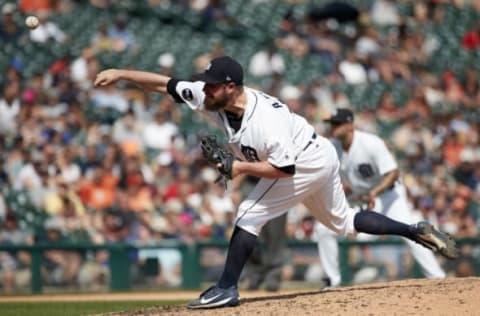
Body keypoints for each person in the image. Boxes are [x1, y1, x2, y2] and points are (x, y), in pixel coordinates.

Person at [94, 55, 457, 309]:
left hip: (306, 160)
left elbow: (285, 170)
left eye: (212, 84)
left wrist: (238, 168)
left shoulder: (264, 120)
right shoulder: (212, 96)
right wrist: (122, 74)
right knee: (344, 222)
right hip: (318, 153)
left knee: (249, 211)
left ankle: (226, 288)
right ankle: (414, 229)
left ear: (231, 87)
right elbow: (168, 86)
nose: (203, 88)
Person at [315, 108, 446, 289]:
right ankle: (333, 280)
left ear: (350, 124)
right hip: (361, 197)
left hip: (388, 196)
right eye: (332, 124)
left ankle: (438, 278)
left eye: (337, 123)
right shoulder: (332, 146)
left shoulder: (370, 143)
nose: (333, 127)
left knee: (409, 228)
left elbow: (393, 172)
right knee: (323, 229)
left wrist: (375, 192)